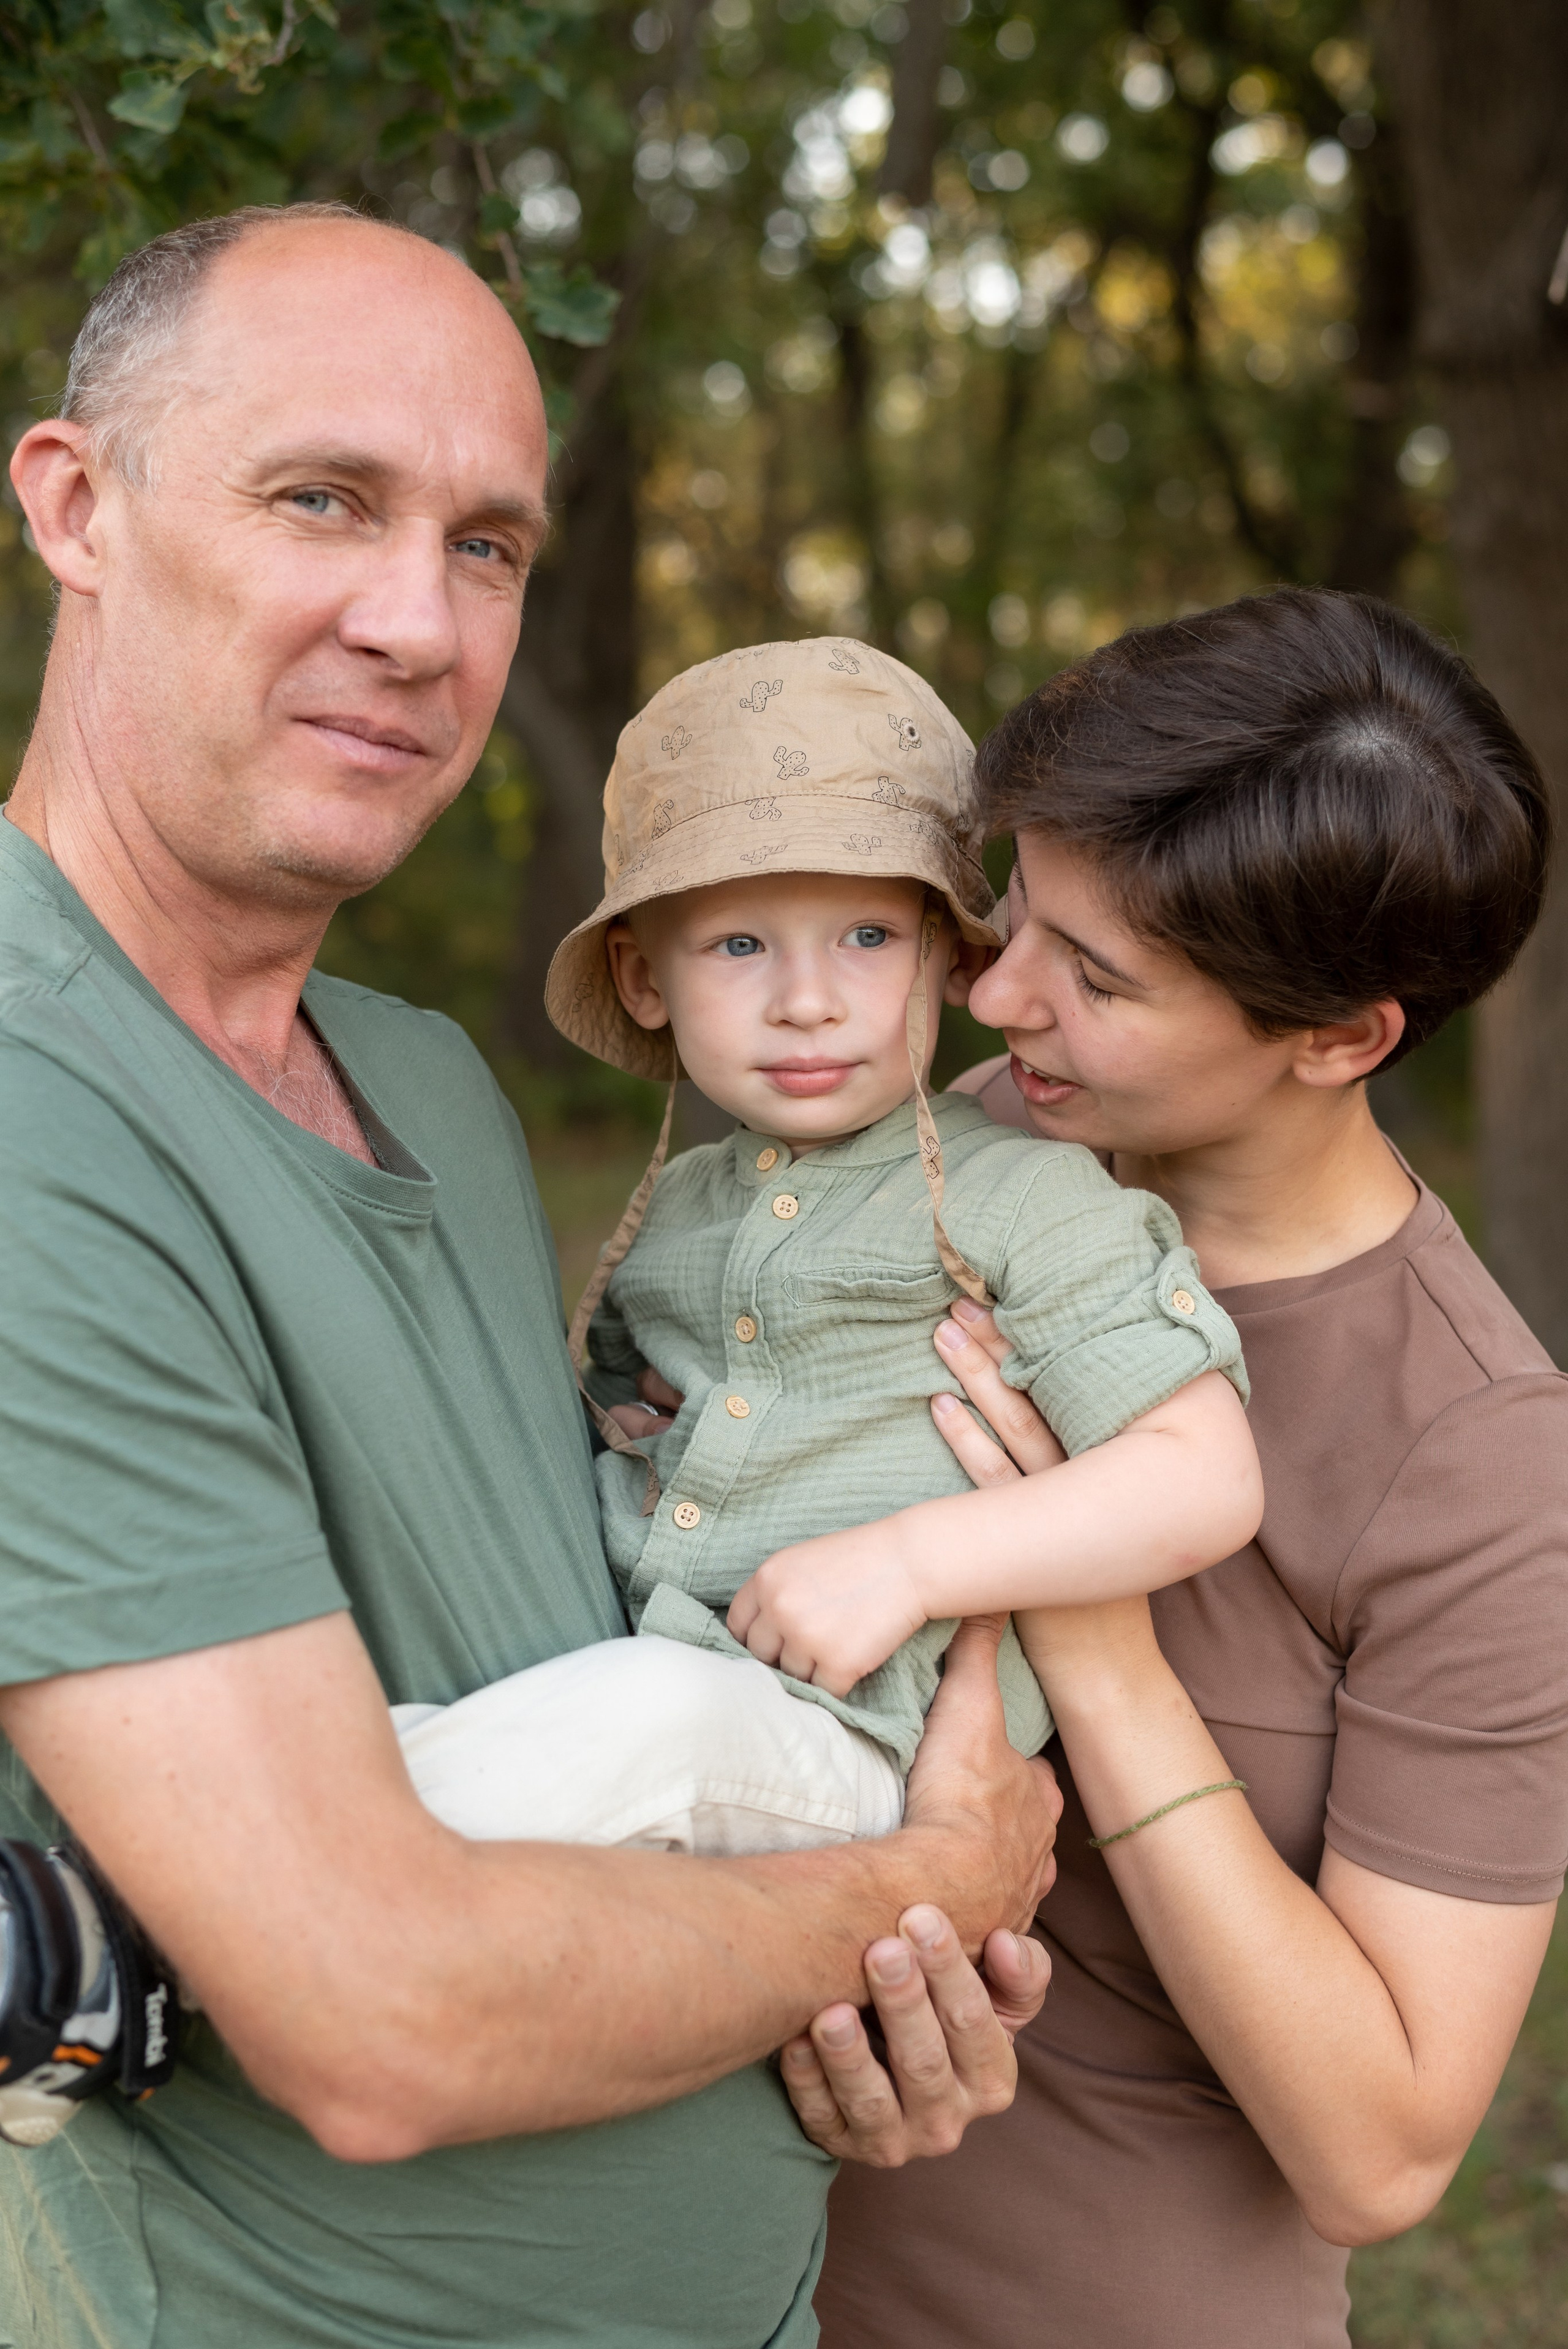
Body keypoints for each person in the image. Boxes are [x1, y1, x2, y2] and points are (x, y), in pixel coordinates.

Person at [0, 203, 1060, 2349]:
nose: (418, 618)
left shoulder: (435, 1089)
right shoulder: (35, 1097)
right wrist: (927, 1879)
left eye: (488, 543)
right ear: (76, 505)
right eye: (325, 498)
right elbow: (379, 2014)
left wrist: (872, 1980)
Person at [815, 588, 1568, 2349]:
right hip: (708, 2272)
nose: (997, 996)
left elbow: (1380, 2152)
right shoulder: (926, 1158)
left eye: (1099, 977)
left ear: (1343, 1036)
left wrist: (1094, 1633)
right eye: (1017, 918)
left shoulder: (1479, 1463)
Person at [378, 636, 1259, 1857]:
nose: (807, 998)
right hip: (641, 1689)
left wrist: (907, 1563)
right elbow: (640, 1392)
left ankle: (202, 1905)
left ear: (951, 957)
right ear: (644, 980)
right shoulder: (680, 1211)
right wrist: (625, 1422)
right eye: (739, 946)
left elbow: (1203, 1476)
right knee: (449, 1687)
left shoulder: (1026, 1198)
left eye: (864, 938)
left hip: (854, 1743)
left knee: (640, 1719)